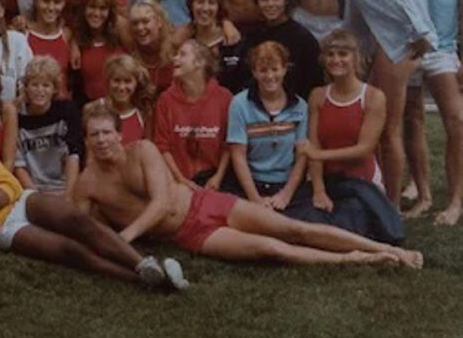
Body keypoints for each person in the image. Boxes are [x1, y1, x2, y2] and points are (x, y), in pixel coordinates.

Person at [75, 107, 421, 267]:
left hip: (206, 204)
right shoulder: (89, 182)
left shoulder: (143, 151)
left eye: (107, 132)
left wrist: (125, 237)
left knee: (294, 228)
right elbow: (80, 226)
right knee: (273, 249)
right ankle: (359, 259)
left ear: (119, 134)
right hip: (189, 235)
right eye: (95, 134)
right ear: (87, 139)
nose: (103, 140)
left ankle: (385, 248)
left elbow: (162, 203)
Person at [0, 111, 187, 290]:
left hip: (21, 202)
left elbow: (10, 187)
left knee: (76, 220)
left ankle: (143, 262)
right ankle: (145, 279)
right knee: (68, 251)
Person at [313, 0, 436, 208]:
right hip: (385, 45)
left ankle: (390, 208)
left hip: (398, 45)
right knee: (379, 128)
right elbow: (361, 6)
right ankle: (378, 198)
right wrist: (347, 43)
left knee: (388, 131)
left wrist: (420, 32)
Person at [393, 0, 463, 225]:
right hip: (407, 49)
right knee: (412, 120)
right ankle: (422, 195)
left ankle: (455, 202)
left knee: (456, 119)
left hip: (442, 48)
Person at [296, 29, 403, 243]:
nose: (336, 60)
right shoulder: (318, 95)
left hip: (362, 180)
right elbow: (314, 142)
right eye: (331, 54)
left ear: (355, 58)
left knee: (351, 220)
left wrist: (317, 155)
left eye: (343, 54)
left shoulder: (373, 96)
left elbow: (364, 149)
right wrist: (318, 190)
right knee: (303, 218)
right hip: (327, 180)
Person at [227, 42, 309, 211]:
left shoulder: (300, 106)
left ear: (284, 69)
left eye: (275, 69)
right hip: (251, 184)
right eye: (263, 70)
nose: (270, 76)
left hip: (287, 186)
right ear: (254, 72)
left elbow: (302, 156)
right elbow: (238, 155)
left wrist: (286, 195)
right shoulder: (239, 104)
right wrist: (255, 199)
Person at [153, 40, 232, 189]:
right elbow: (162, 146)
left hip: (216, 179)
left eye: (182, 54)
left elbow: (229, 144)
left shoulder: (225, 98)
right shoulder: (165, 100)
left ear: (199, 62)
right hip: (177, 180)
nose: (174, 59)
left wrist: (218, 177)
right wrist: (181, 180)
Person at [240, 0, 325, 101]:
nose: (270, 4)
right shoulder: (252, 36)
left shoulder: (302, 38)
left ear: (286, 0)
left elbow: (315, 81)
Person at [14, 57, 81, 197]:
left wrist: (69, 197)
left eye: (46, 85)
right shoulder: (16, 118)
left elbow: (73, 155)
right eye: (35, 84)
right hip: (32, 190)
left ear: (54, 89)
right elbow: (19, 166)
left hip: (64, 186)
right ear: (26, 87)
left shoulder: (67, 111)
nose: (40, 90)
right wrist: (35, 196)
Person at [172, 0, 243, 93]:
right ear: (191, 5)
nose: (205, 8)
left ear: (218, 7)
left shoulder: (230, 39)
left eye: (211, 3)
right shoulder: (182, 40)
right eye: (200, 2)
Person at [70, 0, 126, 104]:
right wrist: (74, 43)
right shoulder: (77, 38)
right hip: (90, 107)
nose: (96, 13)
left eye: (102, 8)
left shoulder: (121, 32)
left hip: (121, 104)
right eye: (92, 7)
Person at [84, 54, 155, 145]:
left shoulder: (143, 113)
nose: (121, 87)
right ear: (108, 81)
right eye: (116, 81)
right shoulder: (92, 109)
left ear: (136, 83)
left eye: (127, 81)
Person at [25, 0, 72, 95]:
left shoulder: (67, 35)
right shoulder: (23, 34)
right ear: (35, 1)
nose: (51, 8)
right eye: (45, 1)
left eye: (57, 2)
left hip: (62, 107)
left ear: (64, 3)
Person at [124, 0, 175, 98]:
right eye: (135, 23)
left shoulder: (175, 53)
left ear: (159, 22)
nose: (140, 27)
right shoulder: (129, 58)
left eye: (145, 21)